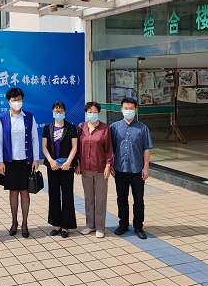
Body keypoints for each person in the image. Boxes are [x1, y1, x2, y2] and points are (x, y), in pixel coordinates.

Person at [0, 88, 39, 238]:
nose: (17, 102)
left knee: (25, 192)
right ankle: (14, 222)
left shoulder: (29, 117)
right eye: (14, 100)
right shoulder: (3, 118)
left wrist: (35, 159)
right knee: (13, 192)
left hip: (26, 161)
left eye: (19, 99)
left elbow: (35, 139)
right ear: (9, 101)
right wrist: (0, 162)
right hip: (10, 162)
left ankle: (25, 223)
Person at [110, 97, 153, 240]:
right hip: (120, 169)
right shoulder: (114, 127)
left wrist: (146, 167)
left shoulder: (142, 128)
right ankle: (123, 224)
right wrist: (111, 165)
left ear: (135, 110)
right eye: (126, 108)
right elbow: (110, 149)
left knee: (138, 200)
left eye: (131, 108)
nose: (128, 111)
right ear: (121, 109)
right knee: (121, 199)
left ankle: (138, 226)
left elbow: (146, 148)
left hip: (137, 170)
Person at [76, 101, 113, 238]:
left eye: (95, 112)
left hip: (100, 169)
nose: (92, 114)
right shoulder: (81, 127)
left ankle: (100, 227)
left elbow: (109, 149)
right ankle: (90, 225)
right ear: (86, 113)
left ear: (99, 113)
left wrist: (108, 165)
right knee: (89, 198)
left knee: (101, 199)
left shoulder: (105, 128)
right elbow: (77, 147)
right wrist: (78, 163)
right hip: (85, 169)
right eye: (89, 112)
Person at [42, 101, 78, 238]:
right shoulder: (48, 127)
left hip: (66, 167)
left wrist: (69, 162)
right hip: (53, 167)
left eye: (61, 111)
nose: (59, 113)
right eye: (56, 111)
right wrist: (51, 161)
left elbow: (74, 147)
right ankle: (56, 224)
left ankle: (66, 226)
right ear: (52, 112)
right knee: (54, 195)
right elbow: (44, 146)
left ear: (64, 112)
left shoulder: (71, 127)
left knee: (67, 195)